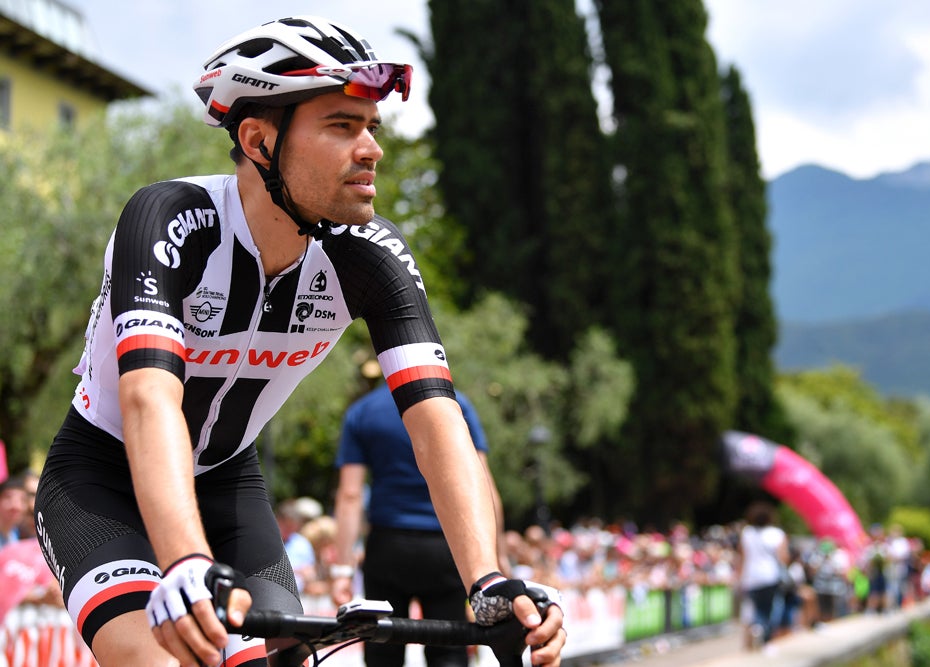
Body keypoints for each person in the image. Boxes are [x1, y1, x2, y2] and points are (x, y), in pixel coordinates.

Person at [32, 15, 565, 667]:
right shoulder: (172, 218)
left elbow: (436, 422)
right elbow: (148, 399)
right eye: (342, 126)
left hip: (228, 484)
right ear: (258, 139)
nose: (371, 149)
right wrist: (186, 560)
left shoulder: (373, 256)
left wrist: (487, 581)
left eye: (371, 128)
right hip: (101, 479)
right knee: (165, 660)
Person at [332, 381, 506, 667]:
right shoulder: (455, 404)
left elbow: (350, 495)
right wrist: (495, 559)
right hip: (446, 544)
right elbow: (483, 486)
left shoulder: (362, 411)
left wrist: (341, 569)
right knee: (449, 649)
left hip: (388, 544)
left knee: (383, 648)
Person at [736, 501, 789, 650]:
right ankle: (764, 635)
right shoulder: (777, 534)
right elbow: (783, 558)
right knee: (768, 609)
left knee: (754, 608)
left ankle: (756, 627)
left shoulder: (747, 533)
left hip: (750, 577)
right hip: (769, 576)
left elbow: (742, 558)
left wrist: (739, 579)